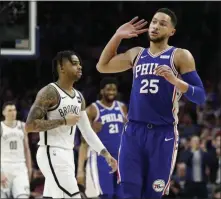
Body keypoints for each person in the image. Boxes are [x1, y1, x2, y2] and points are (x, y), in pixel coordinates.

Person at [96, 8, 206, 199]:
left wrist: (176, 81)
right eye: (154, 22)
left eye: (162, 24)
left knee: (152, 194)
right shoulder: (136, 54)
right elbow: (102, 66)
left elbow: (200, 96)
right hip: (133, 132)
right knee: (129, 192)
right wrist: (117, 36)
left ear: (172, 31)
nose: (155, 26)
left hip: (163, 134)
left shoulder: (180, 56)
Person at [25, 50, 117, 199]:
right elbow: (29, 126)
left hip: (67, 154)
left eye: (80, 64)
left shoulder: (79, 97)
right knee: (73, 196)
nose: (79, 67)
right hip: (51, 152)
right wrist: (63, 121)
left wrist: (105, 153)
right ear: (61, 67)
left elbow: (87, 131)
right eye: (74, 64)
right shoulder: (50, 92)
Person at [77, 77, 127, 199]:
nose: (111, 92)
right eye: (108, 89)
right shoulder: (92, 109)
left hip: (121, 157)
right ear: (101, 91)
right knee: (105, 195)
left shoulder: (122, 107)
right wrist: (80, 170)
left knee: (122, 194)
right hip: (100, 158)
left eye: (114, 90)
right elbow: (84, 142)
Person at [1, 101, 32, 198]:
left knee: (23, 196)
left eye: (14, 110)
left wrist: (29, 168)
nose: (13, 112)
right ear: (4, 113)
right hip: (4, 167)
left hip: (20, 168)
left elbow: (27, 149)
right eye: (9, 110)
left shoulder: (22, 126)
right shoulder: (1, 127)